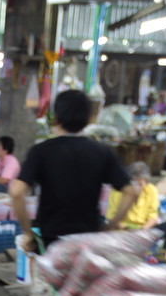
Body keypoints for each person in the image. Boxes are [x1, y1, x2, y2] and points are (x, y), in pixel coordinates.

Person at [10, 90, 137, 252]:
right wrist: (110, 227)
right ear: (90, 117)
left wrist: (28, 233)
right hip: (88, 245)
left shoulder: (41, 151)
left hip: (52, 243)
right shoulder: (102, 152)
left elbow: (16, 192)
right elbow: (131, 192)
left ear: (56, 118)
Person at [106, 161, 166, 251]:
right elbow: (111, 217)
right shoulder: (117, 191)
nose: (137, 187)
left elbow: (152, 216)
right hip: (124, 231)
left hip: (144, 231)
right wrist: (126, 228)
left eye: (140, 184)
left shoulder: (151, 190)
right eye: (133, 183)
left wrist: (143, 230)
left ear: (146, 183)